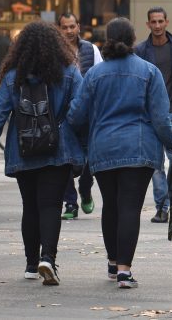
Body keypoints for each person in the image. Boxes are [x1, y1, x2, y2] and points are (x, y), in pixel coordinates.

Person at [68, 17, 172, 289]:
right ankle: (125, 271)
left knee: (110, 206)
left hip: (103, 150)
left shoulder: (94, 75)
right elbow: (160, 119)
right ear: (134, 39)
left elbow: (76, 115)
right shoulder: (149, 72)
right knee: (130, 208)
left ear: (107, 39)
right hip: (139, 150)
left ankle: (112, 263)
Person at [0, 21, 85, 286]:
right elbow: (82, 109)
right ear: (56, 44)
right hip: (57, 149)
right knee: (51, 205)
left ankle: (30, 264)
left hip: (23, 150)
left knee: (30, 207)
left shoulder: (14, 75)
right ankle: (48, 258)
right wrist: (76, 139)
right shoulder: (69, 73)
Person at [133, 7, 172, 224]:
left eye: (161, 21)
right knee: (156, 165)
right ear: (147, 24)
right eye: (153, 22)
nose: (157, 25)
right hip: (151, 115)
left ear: (167, 22)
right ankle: (162, 207)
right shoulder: (140, 50)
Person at [58, 12, 102, 220]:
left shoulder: (91, 49)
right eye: (65, 27)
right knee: (64, 159)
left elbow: (100, 76)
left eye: (72, 26)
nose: (69, 31)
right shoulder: (54, 52)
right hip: (63, 114)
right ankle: (70, 204)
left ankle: (85, 189)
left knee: (88, 160)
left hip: (88, 113)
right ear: (59, 29)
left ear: (78, 26)